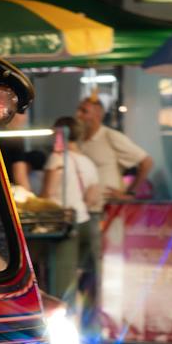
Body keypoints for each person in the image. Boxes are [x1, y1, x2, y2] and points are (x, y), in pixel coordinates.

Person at [40, 116, 102, 309]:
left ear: (60, 134)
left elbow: (47, 194)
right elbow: (92, 198)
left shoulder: (57, 159)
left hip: (63, 225)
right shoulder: (88, 162)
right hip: (85, 223)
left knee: (62, 285)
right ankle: (85, 327)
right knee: (83, 279)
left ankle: (61, 328)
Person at [73, 95, 152, 204]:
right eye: (78, 110)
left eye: (84, 111)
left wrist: (130, 194)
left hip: (107, 209)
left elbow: (147, 162)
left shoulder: (110, 136)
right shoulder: (78, 140)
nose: (78, 115)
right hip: (83, 208)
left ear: (98, 114)